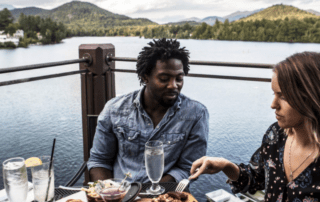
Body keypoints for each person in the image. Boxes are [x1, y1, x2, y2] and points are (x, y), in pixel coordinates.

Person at [189, 52, 320, 201]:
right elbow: (254, 179)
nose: (273, 105)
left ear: (311, 97)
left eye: (283, 96)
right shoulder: (275, 135)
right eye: (274, 94)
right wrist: (225, 165)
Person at [88, 38, 209, 183]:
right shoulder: (114, 109)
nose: (173, 85)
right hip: (119, 194)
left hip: (166, 195)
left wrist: (150, 195)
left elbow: (187, 168)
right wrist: (109, 193)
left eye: (179, 78)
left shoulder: (196, 114)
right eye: (164, 78)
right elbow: (99, 161)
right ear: (145, 77)